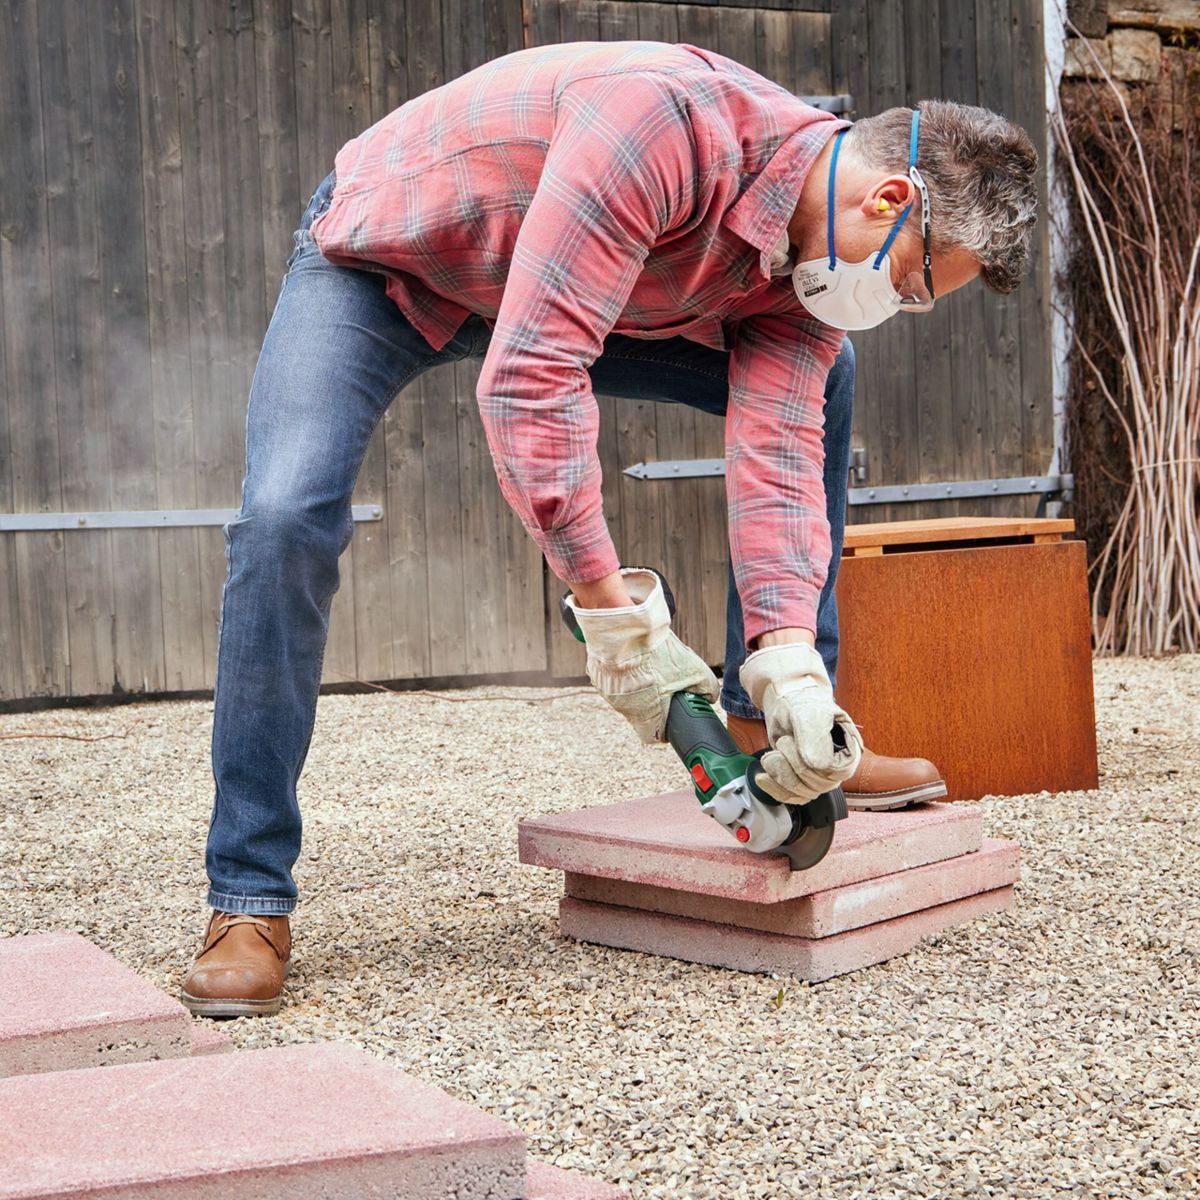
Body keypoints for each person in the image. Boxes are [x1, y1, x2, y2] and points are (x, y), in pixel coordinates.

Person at [181, 40, 1038, 1016]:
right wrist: (614, 620)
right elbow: (530, 375)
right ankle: (247, 893)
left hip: (573, 289)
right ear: (888, 204)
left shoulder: (804, 274)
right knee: (286, 516)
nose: (897, 304)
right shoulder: (661, 124)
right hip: (393, 265)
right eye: (915, 285)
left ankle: (770, 721)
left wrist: (787, 650)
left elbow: (780, 457)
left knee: (825, 377)